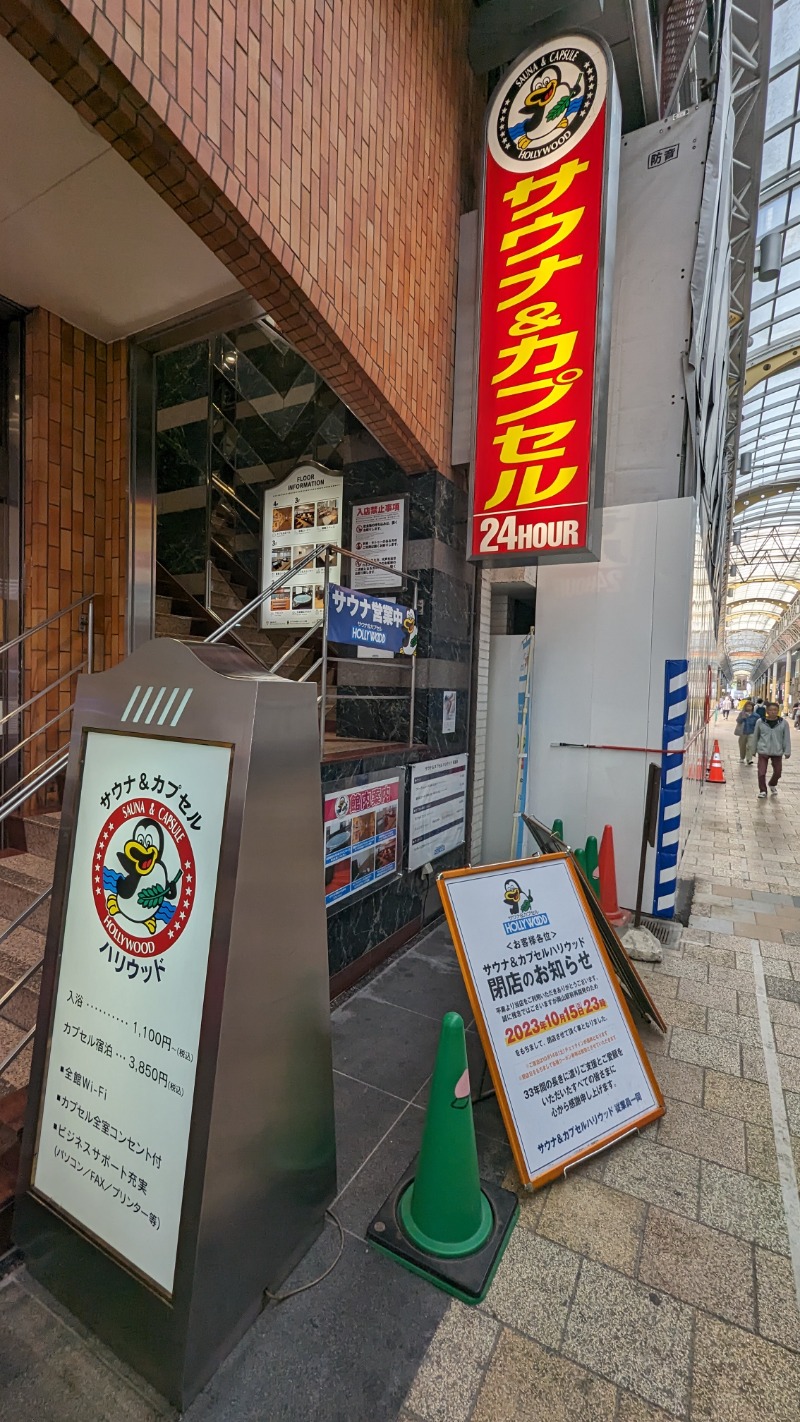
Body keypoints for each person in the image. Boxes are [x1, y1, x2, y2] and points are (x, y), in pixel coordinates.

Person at [752, 701, 791, 798]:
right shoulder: (760, 722)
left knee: (778, 772)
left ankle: (772, 783)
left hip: (777, 751)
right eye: (770, 710)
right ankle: (763, 790)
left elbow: (786, 737)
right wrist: (753, 750)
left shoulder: (783, 723)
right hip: (763, 750)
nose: (773, 712)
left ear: (778, 711)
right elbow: (755, 736)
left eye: (775, 710)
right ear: (767, 711)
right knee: (761, 772)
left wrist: (787, 751)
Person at [733, 700, 757, 765]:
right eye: (747, 706)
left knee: (750, 745)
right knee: (742, 745)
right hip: (743, 732)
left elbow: (758, 724)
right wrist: (742, 718)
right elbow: (738, 721)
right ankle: (742, 757)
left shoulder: (756, 715)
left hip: (752, 732)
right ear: (745, 707)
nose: (749, 708)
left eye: (750, 706)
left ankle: (749, 759)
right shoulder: (742, 713)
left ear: (752, 707)